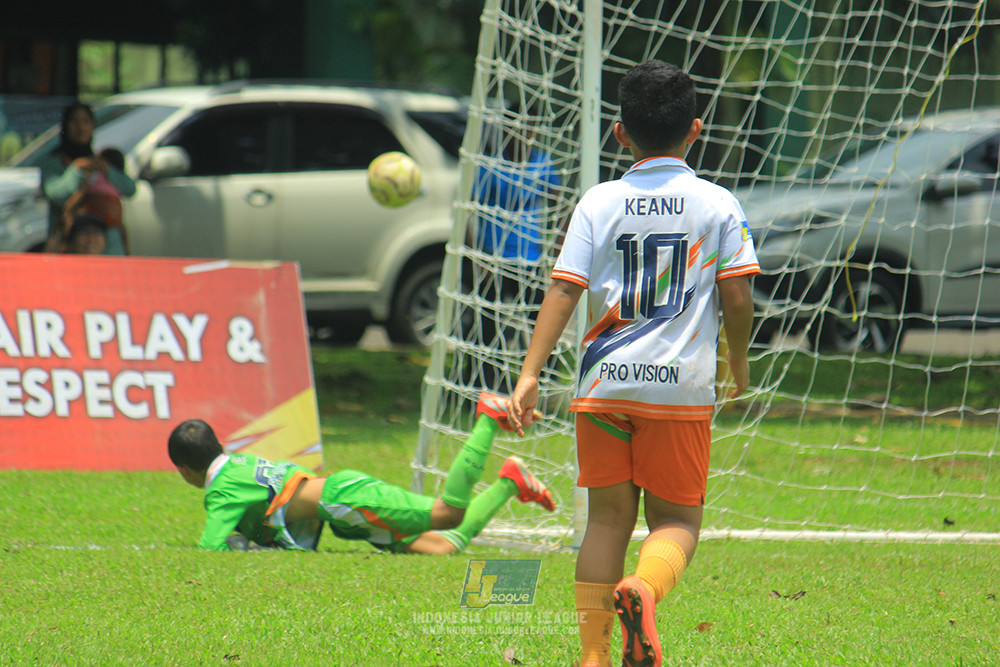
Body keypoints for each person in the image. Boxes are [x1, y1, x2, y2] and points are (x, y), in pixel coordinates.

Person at [507, 61, 759, 667]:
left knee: (605, 522)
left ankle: (593, 655)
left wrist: (531, 372)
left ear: (620, 134)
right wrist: (737, 362)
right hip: (679, 389)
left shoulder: (599, 201)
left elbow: (564, 288)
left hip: (604, 386)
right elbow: (737, 295)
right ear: (695, 129)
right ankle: (642, 589)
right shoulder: (717, 203)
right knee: (677, 522)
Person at [168, 392, 555, 553]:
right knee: (443, 547)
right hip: (344, 515)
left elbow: (210, 548)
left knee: (448, 514)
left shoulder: (221, 489)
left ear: (185, 470)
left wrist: (237, 543)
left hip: (348, 499)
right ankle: (510, 482)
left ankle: (486, 418)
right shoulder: (238, 464)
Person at [467, 102, 562, 393]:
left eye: (530, 126)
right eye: (518, 125)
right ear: (507, 127)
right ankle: (482, 384)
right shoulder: (490, 166)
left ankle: (544, 381)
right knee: (486, 325)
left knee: (541, 321)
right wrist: (476, 257)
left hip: (530, 259)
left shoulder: (543, 164)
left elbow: (561, 205)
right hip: (493, 260)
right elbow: (470, 212)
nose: (525, 132)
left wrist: (558, 248)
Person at [40, 103, 135, 255]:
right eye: (75, 121)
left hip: (108, 250)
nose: (81, 128)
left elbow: (130, 189)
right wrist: (77, 169)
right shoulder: (53, 163)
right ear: (65, 126)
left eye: (86, 121)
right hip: (71, 249)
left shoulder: (102, 161)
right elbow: (56, 195)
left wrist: (107, 170)